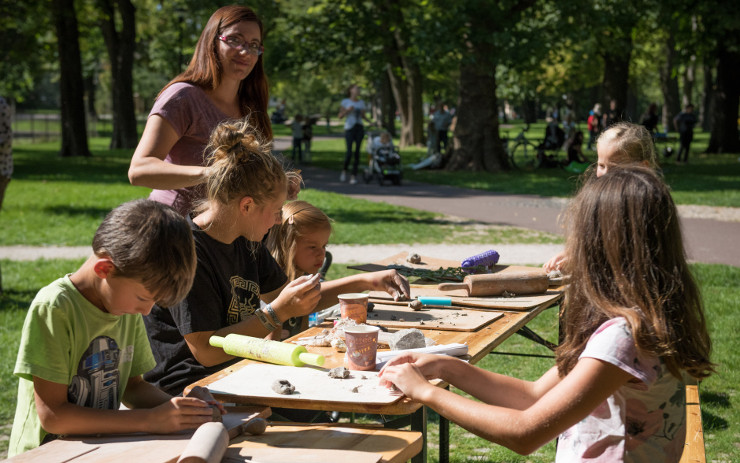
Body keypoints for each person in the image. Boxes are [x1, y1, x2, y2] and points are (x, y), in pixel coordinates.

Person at [380, 166, 713, 461]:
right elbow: (533, 396)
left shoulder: (624, 338)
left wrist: (427, 393)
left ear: (601, 244)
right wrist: (446, 367)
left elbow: (525, 433)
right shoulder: (644, 318)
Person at [143, 119, 409, 395]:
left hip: (235, 374)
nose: (278, 219)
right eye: (276, 210)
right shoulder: (187, 253)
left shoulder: (246, 241)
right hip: (187, 389)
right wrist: (276, 313)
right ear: (247, 205)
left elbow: (295, 299)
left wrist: (366, 282)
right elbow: (206, 351)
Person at [8, 199, 221, 457]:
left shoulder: (124, 306)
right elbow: (54, 416)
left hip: (98, 450)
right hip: (48, 454)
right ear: (105, 269)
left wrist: (186, 410)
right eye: (144, 299)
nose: (146, 311)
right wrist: (150, 421)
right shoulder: (55, 308)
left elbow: (132, 388)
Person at [128, 5, 272, 216]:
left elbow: (245, 176)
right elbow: (139, 170)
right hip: (174, 229)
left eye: (253, 45)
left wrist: (275, 181)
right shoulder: (182, 97)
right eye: (234, 40)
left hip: (225, 236)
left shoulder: (251, 105)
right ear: (213, 42)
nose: (245, 51)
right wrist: (213, 173)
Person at [265, 200, 408, 335]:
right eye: (312, 247)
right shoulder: (269, 288)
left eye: (324, 246)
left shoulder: (300, 277)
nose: (321, 253)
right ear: (287, 245)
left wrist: (368, 281)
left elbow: (304, 327)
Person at [544, 122, 657, 272]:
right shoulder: (595, 199)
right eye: (601, 166)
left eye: (616, 168)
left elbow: (632, 257)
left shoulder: (648, 205)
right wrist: (572, 253)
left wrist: (582, 260)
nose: (605, 174)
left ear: (643, 167)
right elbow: (590, 241)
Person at [338, 84, 371, 184]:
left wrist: (370, 122)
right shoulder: (345, 102)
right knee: (349, 153)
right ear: (351, 90)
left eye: (359, 89)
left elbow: (363, 116)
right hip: (349, 128)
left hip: (359, 128)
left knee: (357, 153)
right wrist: (347, 111)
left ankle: (354, 176)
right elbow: (340, 116)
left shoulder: (361, 103)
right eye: (356, 88)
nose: (358, 90)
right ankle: (344, 171)